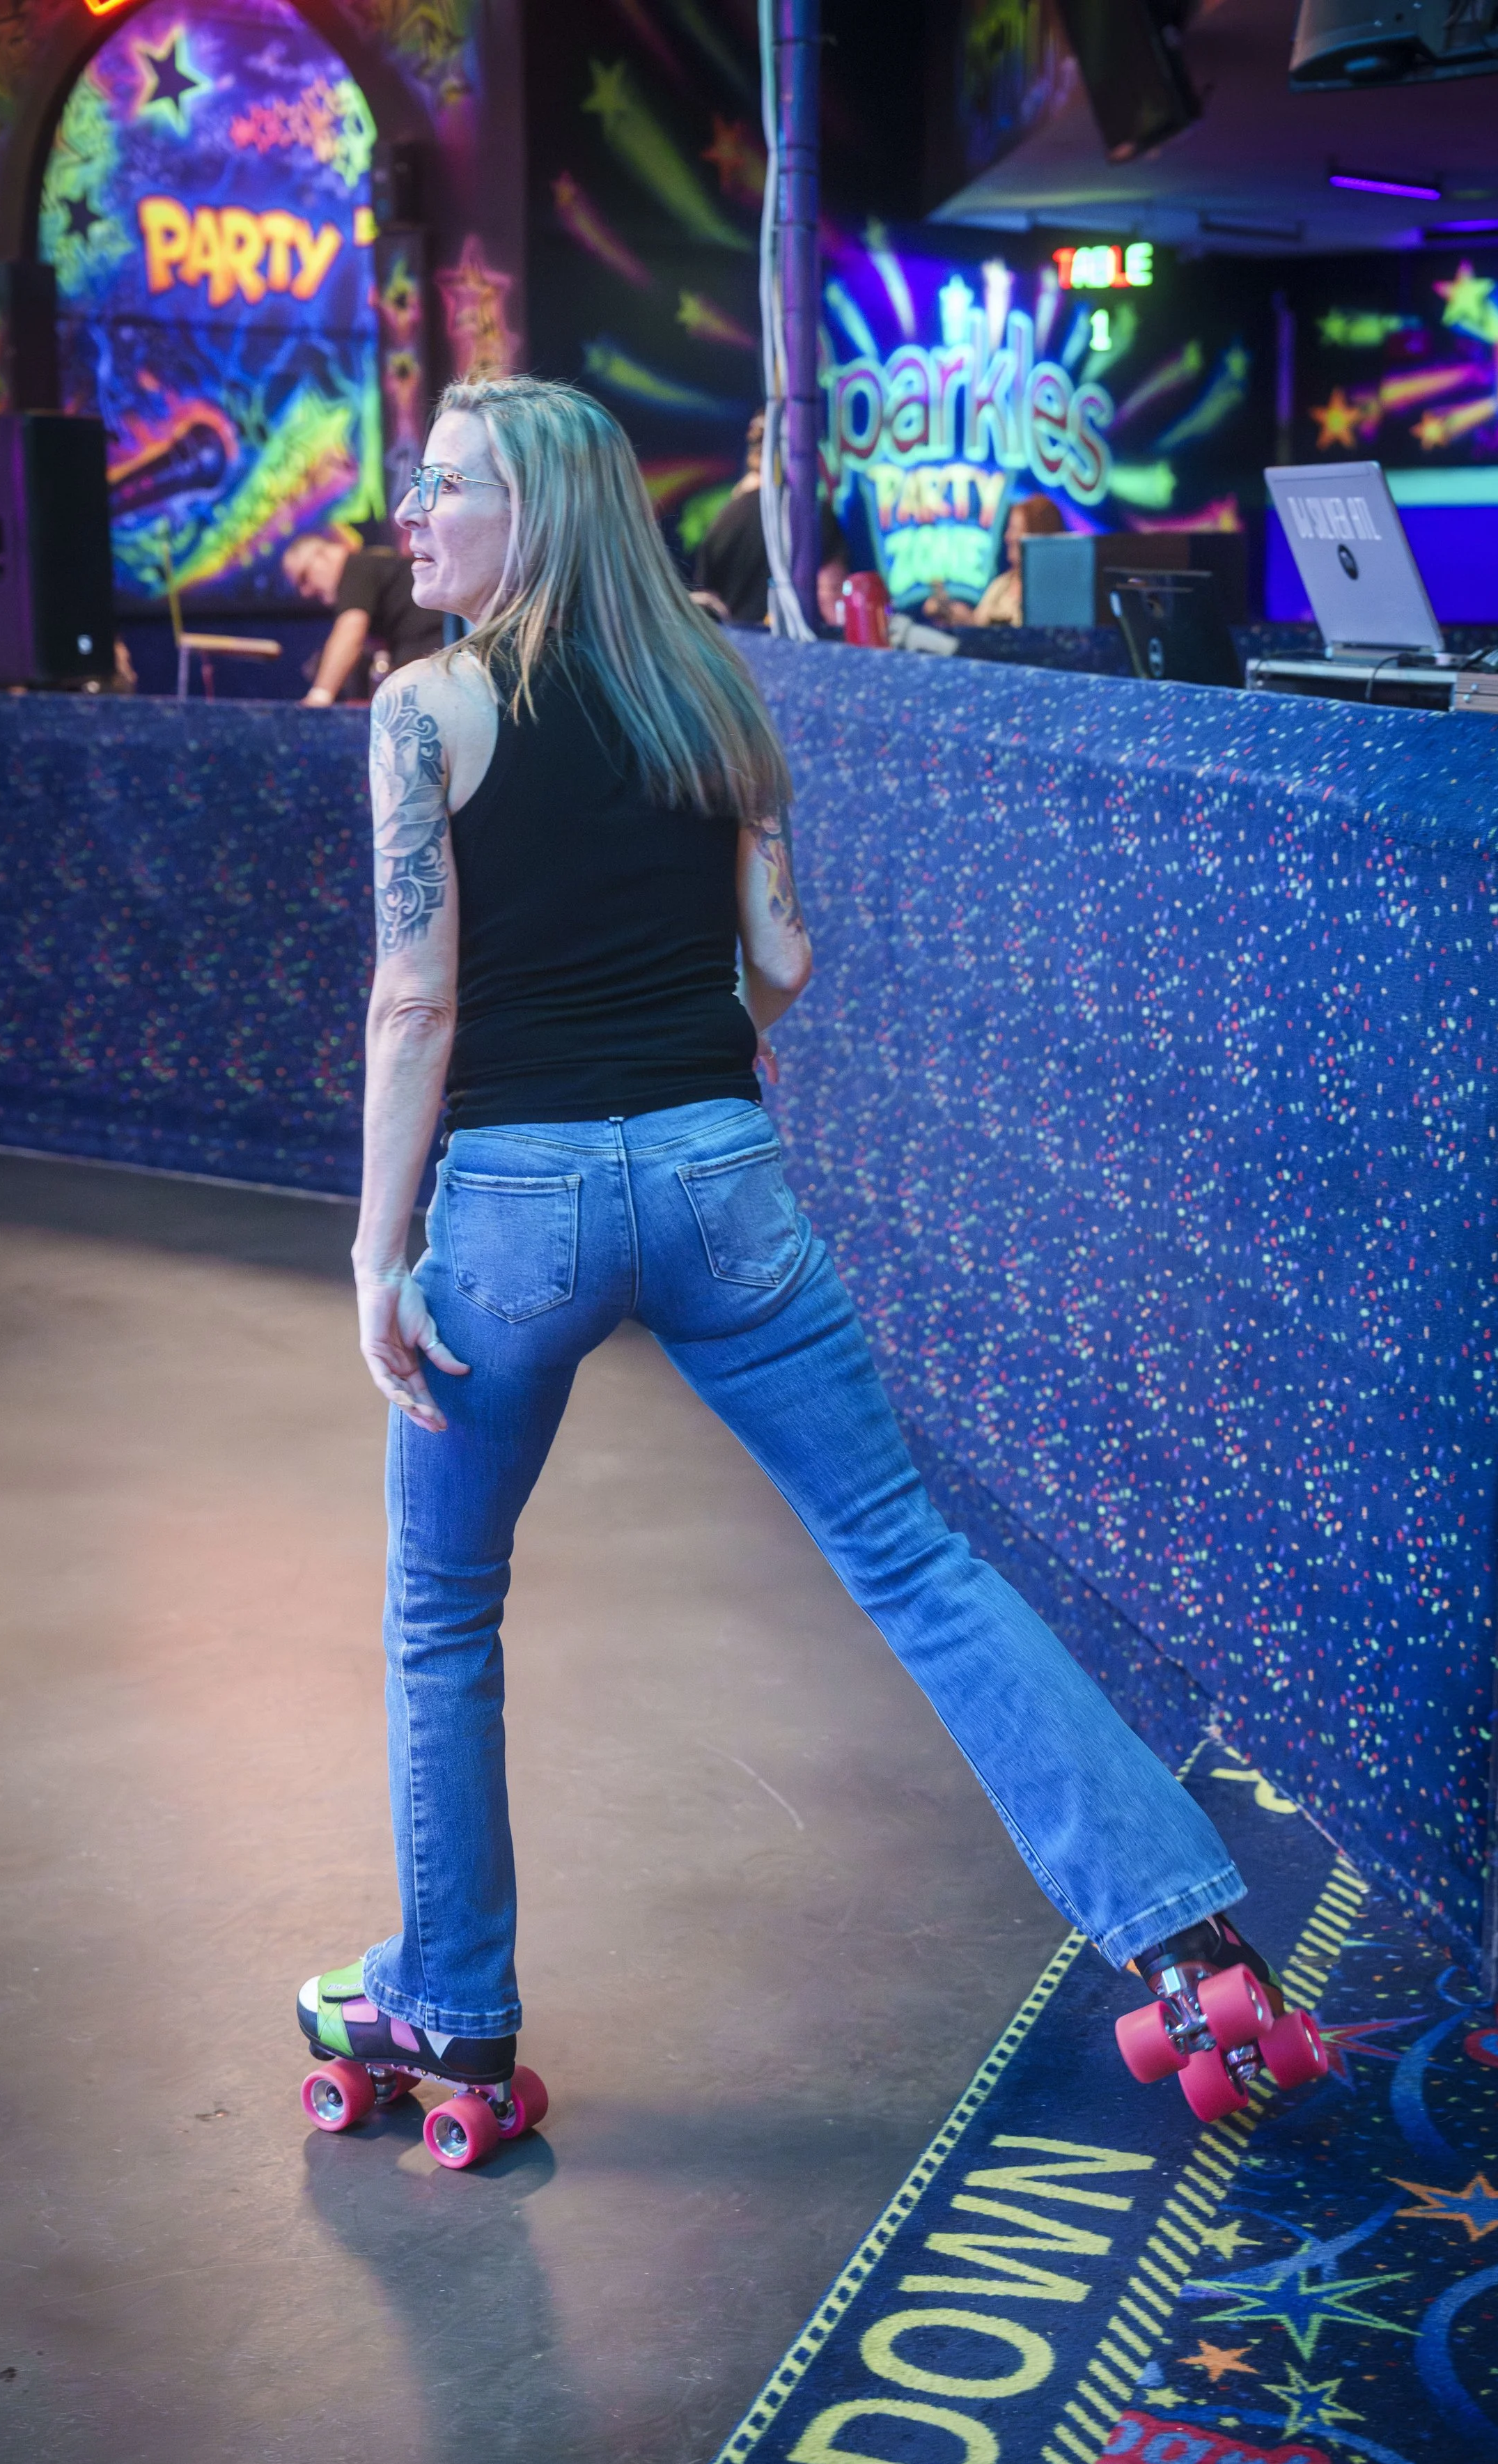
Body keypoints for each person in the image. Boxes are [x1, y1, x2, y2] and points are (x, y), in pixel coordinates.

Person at [294, 375, 1314, 2165]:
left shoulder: (423, 708)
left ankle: (447, 1997)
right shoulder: (717, 696)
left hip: (515, 1207)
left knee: (443, 1608)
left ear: (533, 510)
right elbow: (781, 959)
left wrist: (380, 1249)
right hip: (720, 1180)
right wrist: (692, 1062)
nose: (414, 518)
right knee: (912, 1554)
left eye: (445, 487)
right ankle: (1180, 1925)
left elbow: (412, 1000)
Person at [692, 410, 847, 628]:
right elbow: (831, 597)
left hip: (740, 650)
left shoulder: (723, 519)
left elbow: (708, 602)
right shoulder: (812, 512)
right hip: (798, 648)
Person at [283, 530, 446, 707]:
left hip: (432, 663)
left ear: (323, 556)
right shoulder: (374, 568)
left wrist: (320, 696)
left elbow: (351, 628)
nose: (305, 593)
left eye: (304, 578)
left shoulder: (354, 567)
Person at [925, 492, 1066, 630]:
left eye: (1016, 529)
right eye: (1009, 529)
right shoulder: (1001, 585)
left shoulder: (1056, 594)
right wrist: (954, 613)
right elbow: (982, 632)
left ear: (1037, 535)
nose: (1008, 537)